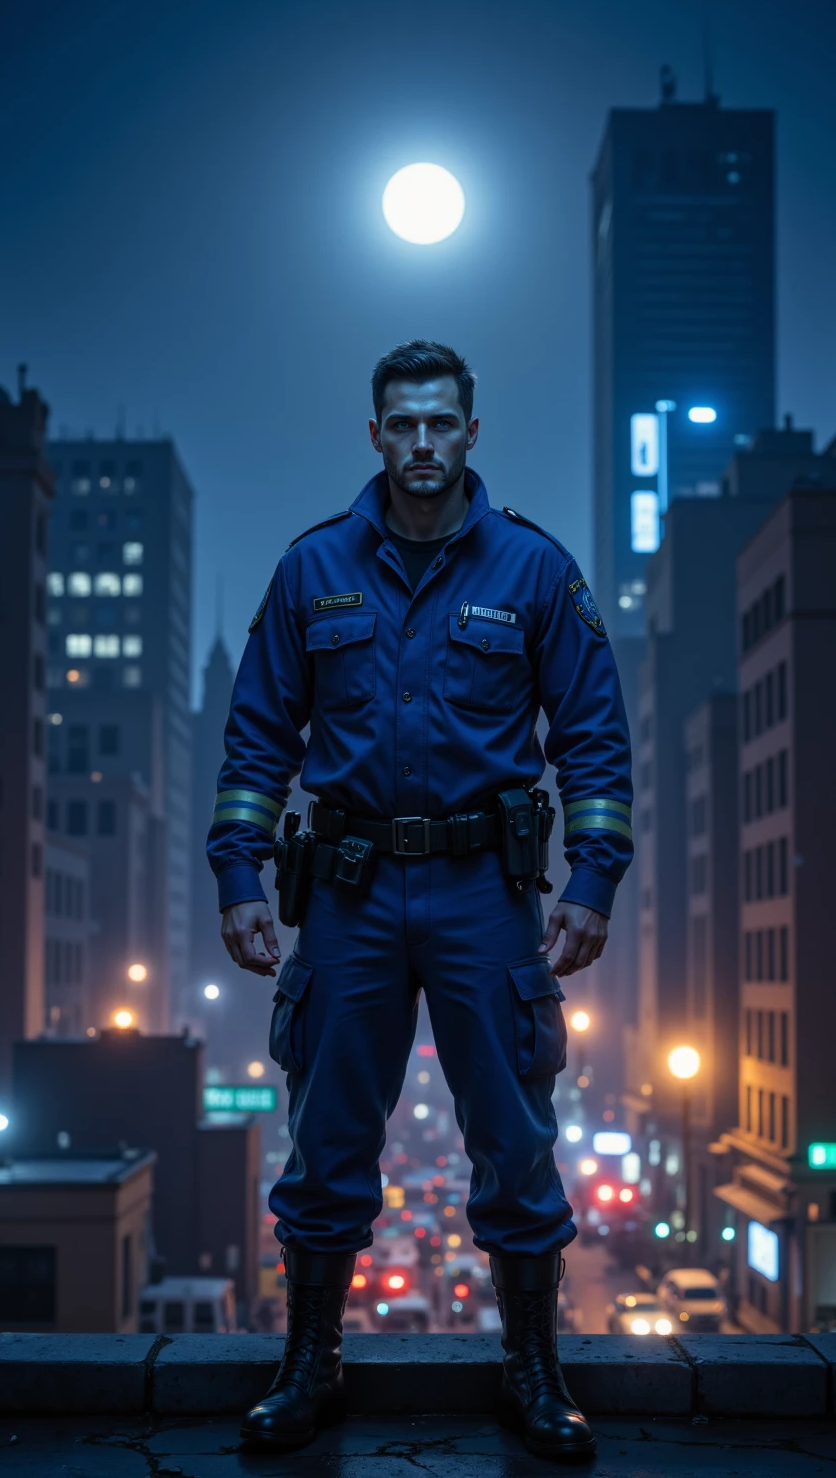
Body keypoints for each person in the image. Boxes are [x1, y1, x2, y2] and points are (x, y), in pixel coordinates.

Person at [208, 340, 633, 1459]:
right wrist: (237, 875)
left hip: (483, 897)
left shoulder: (535, 572)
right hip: (345, 896)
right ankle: (309, 1368)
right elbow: (257, 737)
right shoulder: (312, 570)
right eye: (402, 425)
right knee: (327, 1135)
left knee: (517, 1135)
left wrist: (591, 885)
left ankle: (532, 1375)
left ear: (470, 432)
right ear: (376, 435)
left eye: (441, 424)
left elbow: (593, 742)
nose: (423, 444)